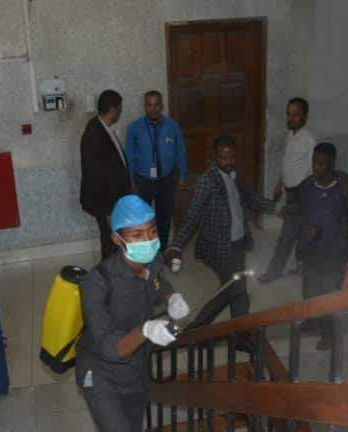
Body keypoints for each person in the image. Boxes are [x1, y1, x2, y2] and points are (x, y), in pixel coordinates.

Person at [76, 195, 190, 432]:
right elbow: (109, 347)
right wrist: (146, 330)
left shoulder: (152, 263)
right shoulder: (96, 283)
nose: (148, 240)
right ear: (117, 238)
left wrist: (171, 298)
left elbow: (158, 285)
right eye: (137, 234)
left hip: (135, 369)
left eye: (152, 231)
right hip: (100, 372)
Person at [167, 135, 274, 341]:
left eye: (232, 157)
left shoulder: (236, 174)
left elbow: (251, 199)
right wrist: (176, 246)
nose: (228, 162)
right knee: (233, 288)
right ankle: (196, 330)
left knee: (238, 291)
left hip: (238, 243)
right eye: (223, 158)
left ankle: (240, 337)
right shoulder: (207, 181)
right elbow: (193, 215)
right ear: (214, 157)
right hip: (218, 246)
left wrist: (277, 207)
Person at [291, 142, 348, 350]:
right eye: (314, 162)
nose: (315, 167)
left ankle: (329, 335)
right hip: (310, 250)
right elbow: (297, 213)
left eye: (321, 163)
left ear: (332, 164)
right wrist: (306, 227)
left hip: (334, 253)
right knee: (309, 289)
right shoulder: (307, 186)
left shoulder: (345, 188)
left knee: (329, 294)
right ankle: (312, 319)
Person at [258, 97, 317, 284]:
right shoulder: (291, 135)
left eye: (296, 115)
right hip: (291, 191)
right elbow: (288, 163)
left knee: (287, 235)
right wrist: (279, 183)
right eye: (288, 114)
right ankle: (302, 267)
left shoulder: (308, 140)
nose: (291, 118)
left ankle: (273, 272)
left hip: (302, 193)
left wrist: (304, 198)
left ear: (305, 117)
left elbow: (314, 170)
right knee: (301, 232)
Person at [125, 90, 188, 250]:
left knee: (164, 218)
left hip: (166, 180)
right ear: (144, 107)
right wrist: (130, 180)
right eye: (149, 105)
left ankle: (162, 250)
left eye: (156, 105)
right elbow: (129, 156)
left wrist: (182, 176)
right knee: (142, 219)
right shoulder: (134, 128)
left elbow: (181, 152)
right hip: (142, 181)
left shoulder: (172, 126)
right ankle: (144, 251)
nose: (153, 109)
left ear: (162, 106)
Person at [80, 89, 132, 259]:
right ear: (113, 110)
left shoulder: (104, 128)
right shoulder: (94, 134)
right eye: (120, 108)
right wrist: (107, 210)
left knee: (114, 239)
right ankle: (108, 271)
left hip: (114, 199)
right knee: (110, 241)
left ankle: (114, 269)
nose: (121, 112)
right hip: (106, 202)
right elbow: (94, 176)